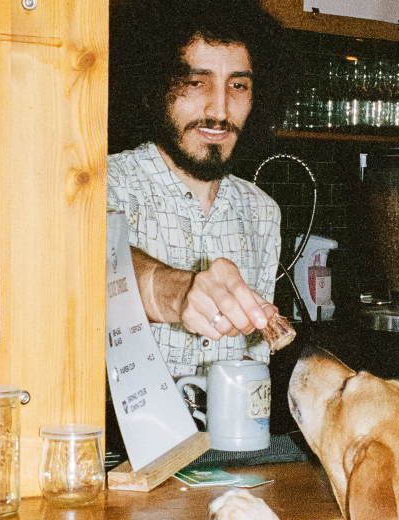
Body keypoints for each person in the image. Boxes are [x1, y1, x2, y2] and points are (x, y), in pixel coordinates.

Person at [107, 0, 290, 378]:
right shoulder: (102, 184)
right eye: (196, 82)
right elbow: (99, 257)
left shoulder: (263, 212)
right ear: (154, 88)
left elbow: (254, 363)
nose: (220, 110)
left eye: (238, 85)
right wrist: (175, 292)